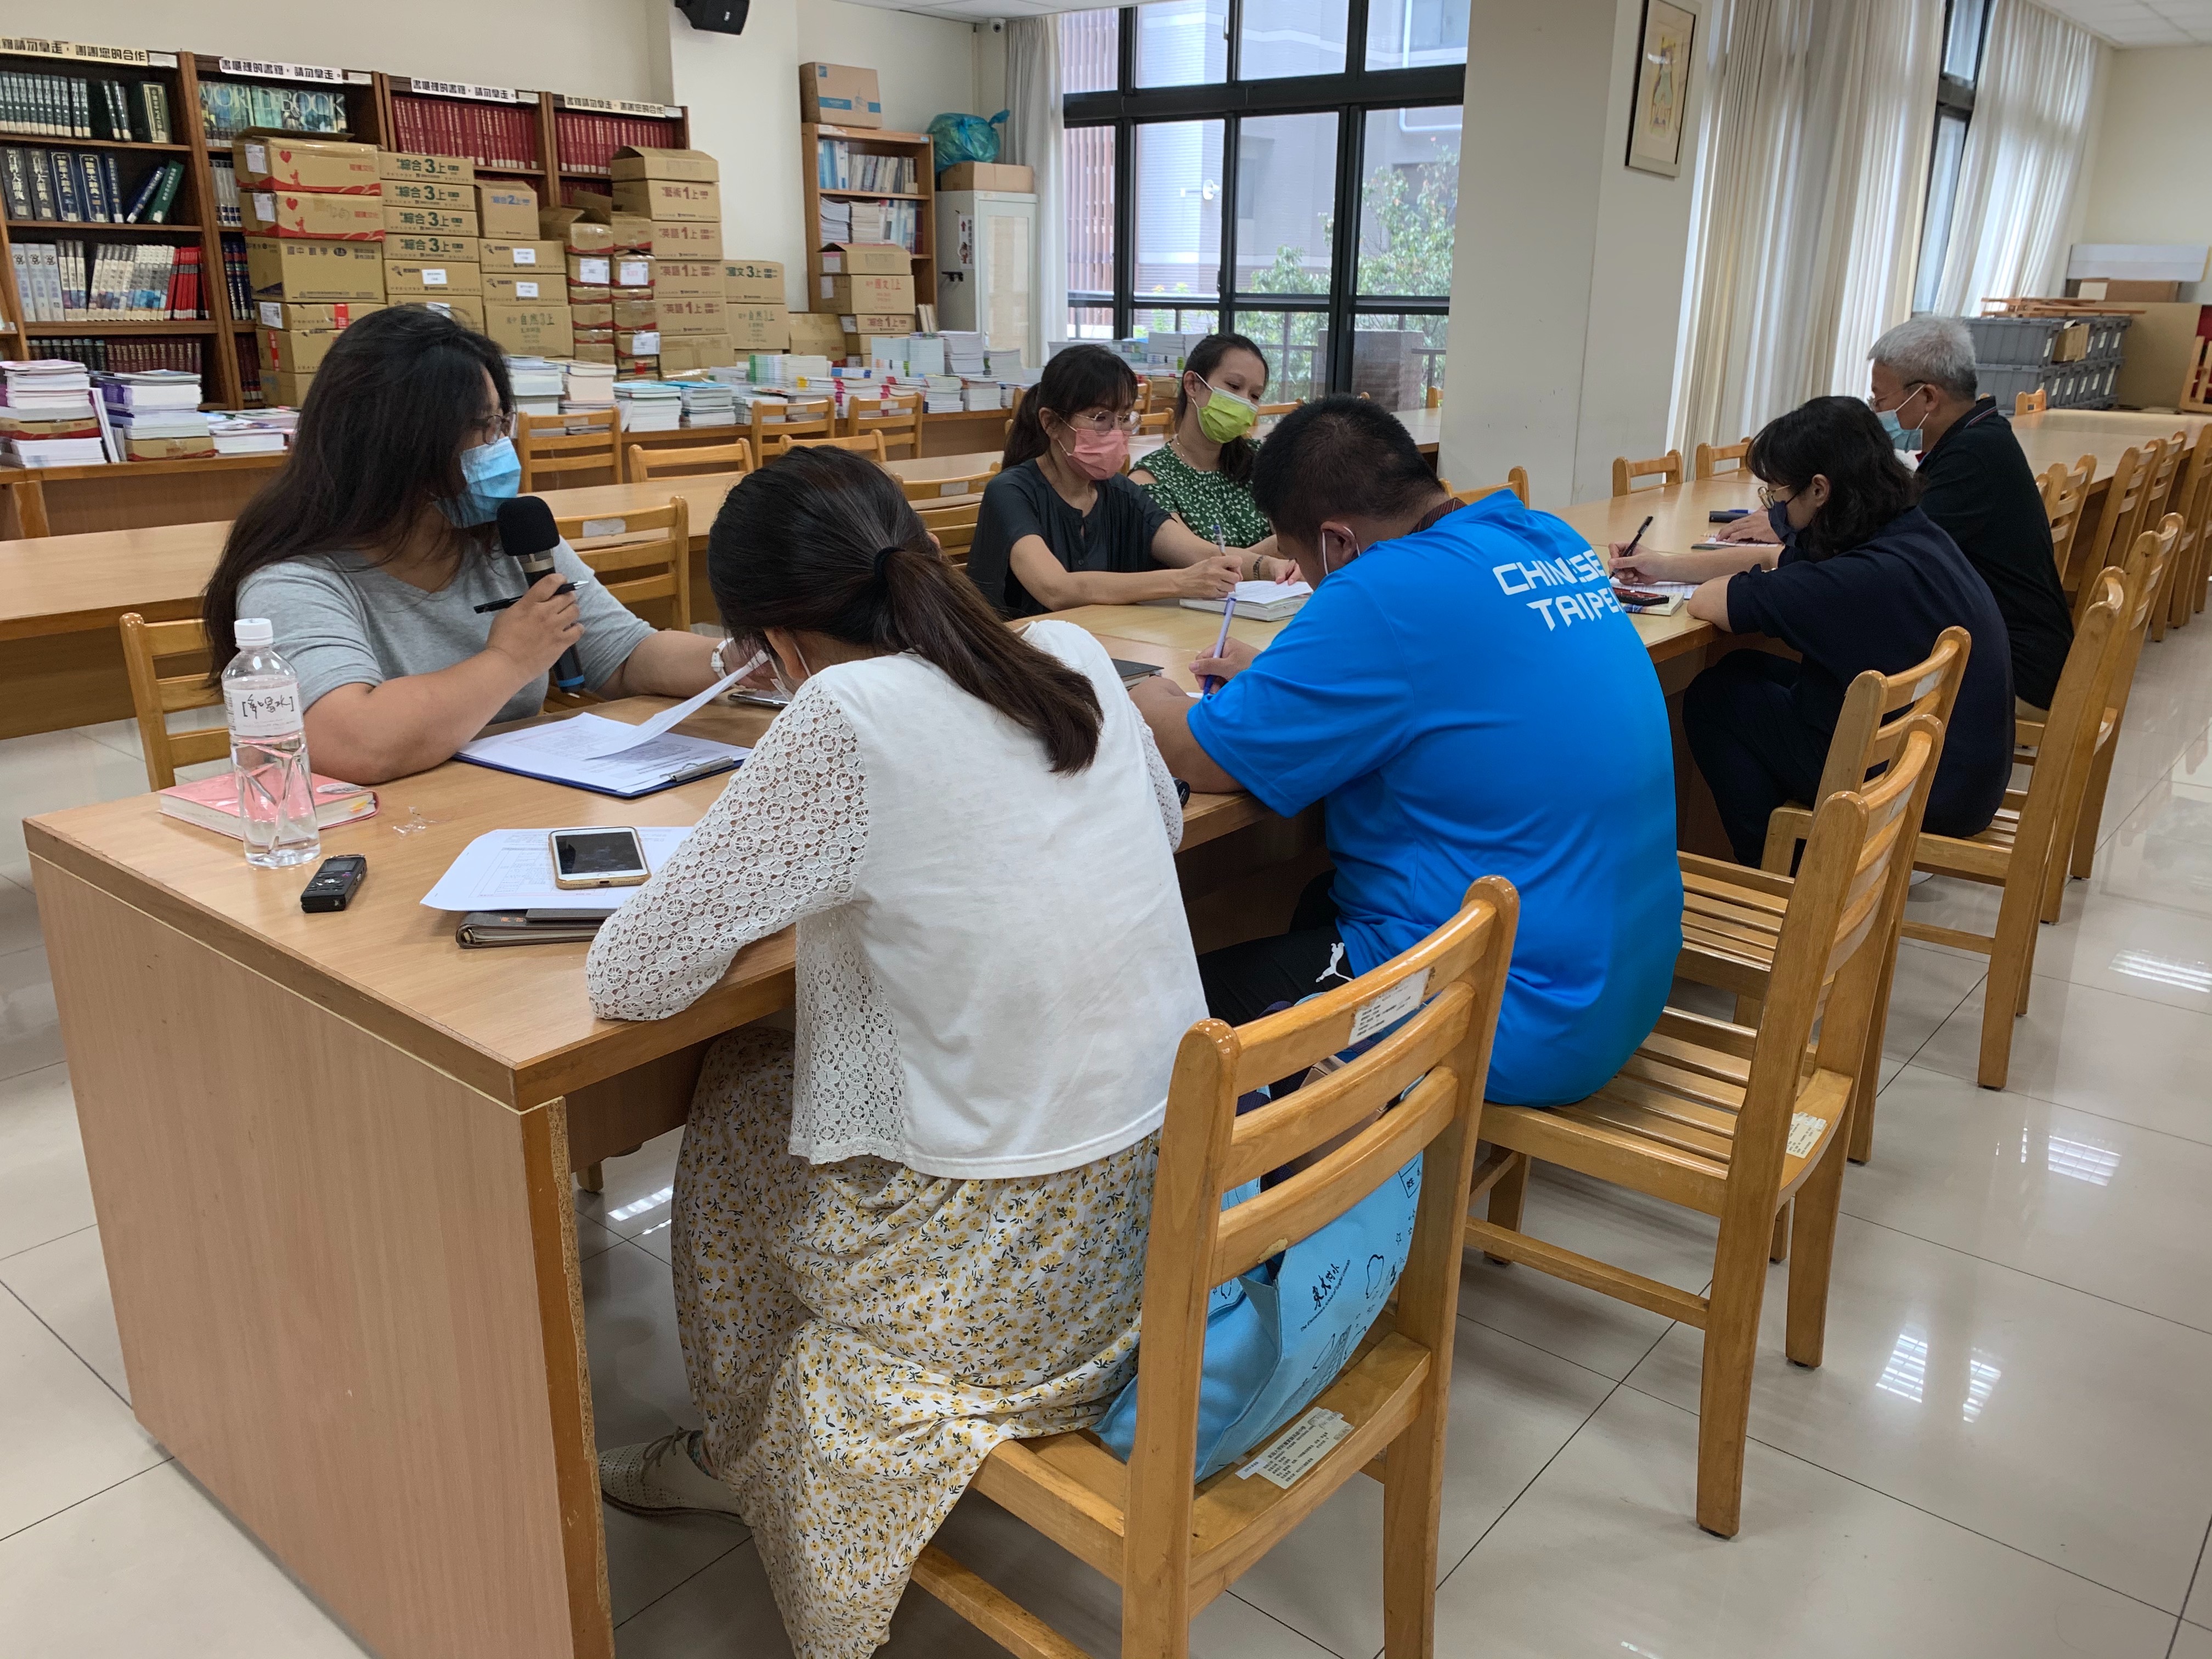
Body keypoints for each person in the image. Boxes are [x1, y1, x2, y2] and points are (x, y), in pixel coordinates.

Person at [584, 446, 1205, 1659]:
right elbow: (1165, 820)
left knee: (739, 1095)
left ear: (772, 644)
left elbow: (633, 975)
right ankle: (756, 1440)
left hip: (999, 1287)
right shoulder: (1066, 654)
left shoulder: (841, 715)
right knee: (783, 1076)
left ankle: (742, 1450)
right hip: (1165, 1207)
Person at [1130, 397, 1683, 1109]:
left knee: (1171, 1020)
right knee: (1314, 899)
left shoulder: (1380, 588)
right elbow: (1446, 684)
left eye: (1300, 562)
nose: (1311, 582)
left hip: (1511, 1015)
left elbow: (1202, 757)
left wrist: (1146, 696)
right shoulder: (1544, 537)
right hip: (1617, 977)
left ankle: (1299, 1147)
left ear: (1337, 543)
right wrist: (1281, 686)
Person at [201, 307, 724, 784]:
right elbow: (353, 744)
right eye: (480, 427)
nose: (499, 446)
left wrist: (736, 658)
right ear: (396, 444)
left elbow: (623, 655)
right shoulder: (294, 578)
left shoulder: (509, 536)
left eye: (501, 422)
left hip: (508, 802)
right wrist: (509, 659)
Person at [1674, 395, 2013, 865]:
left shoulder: (1855, 579)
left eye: (1778, 496)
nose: (1777, 510)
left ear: (1819, 490)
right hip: (1958, 768)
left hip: (1927, 791)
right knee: (1744, 665)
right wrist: (1663, 567)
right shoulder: (1909, 533)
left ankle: (1781, 872)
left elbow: (1712, 602)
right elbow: (1777, 558)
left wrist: (1711, 578)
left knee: (1715, 698)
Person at [1689, 318, 2073, 715]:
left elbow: (1856, 562)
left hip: (2012, 674)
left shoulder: (1969, 462)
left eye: (1880, 400)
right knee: (1754, 669)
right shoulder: (1978, 440)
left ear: (1928, 397)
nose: (1878, 413)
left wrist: (1789, 526)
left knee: (1725, 695)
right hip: (1985, 655)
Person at [965, 343, 1250, 617]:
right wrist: (1180, 582)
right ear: (1051, 423)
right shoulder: (1009, 492)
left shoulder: (1120, 491)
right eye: (1100, 418)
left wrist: (1267, 567)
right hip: (1018, 646)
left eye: (1124, 418)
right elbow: (1056, 589)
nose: (1116, 432)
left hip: (1101, 638)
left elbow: (1193, 551)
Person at [1127, 331, 1294, 577]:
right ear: (1193, 385)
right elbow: (1192, 556)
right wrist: (1270, 556)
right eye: (1234, 386)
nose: (1244, 402)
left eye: (1255, 396)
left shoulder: (1262, 460)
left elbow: (1301, 534)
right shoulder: (1149, 478)